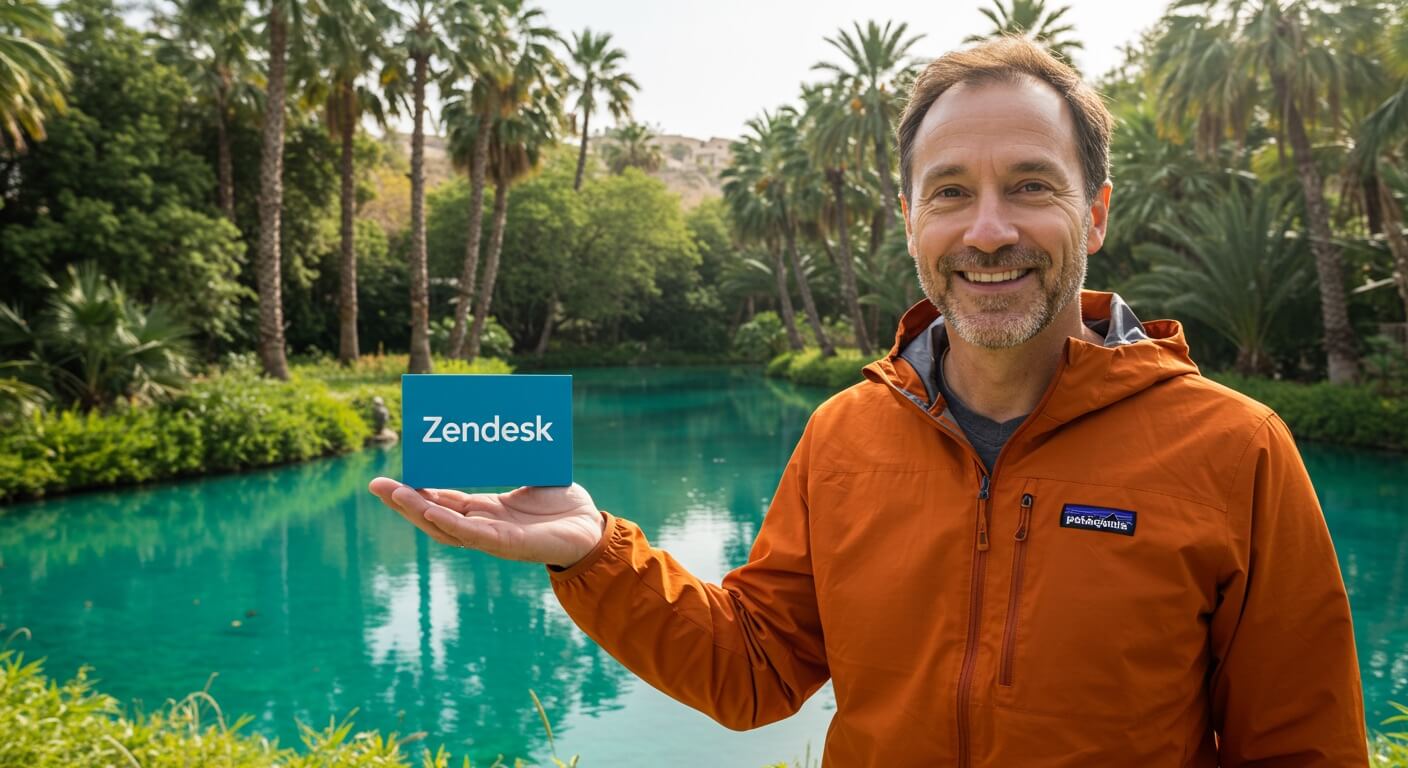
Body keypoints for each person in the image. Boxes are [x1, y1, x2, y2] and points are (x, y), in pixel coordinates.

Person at [369, 37, 1367, 767]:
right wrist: (595, 553)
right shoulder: (844, 434)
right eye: (946, 193)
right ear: (906, 219)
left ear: (1094, 211)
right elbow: (754, 670)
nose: (986, 231)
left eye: (1029, 186)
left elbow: (1300, 748)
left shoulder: (1236, 451)